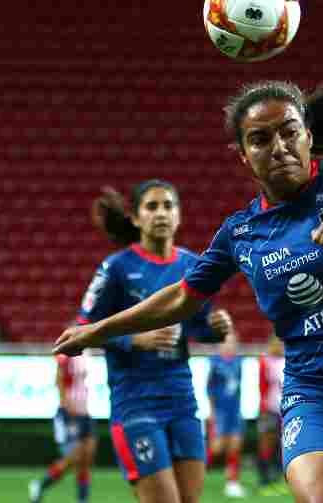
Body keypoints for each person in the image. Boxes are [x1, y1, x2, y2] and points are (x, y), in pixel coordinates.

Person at [54, 80, 323, 503]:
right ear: (244, 156)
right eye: (261, 139)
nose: (278, 147)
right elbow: (183, 296)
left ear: (308, 137)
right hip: (316, 389)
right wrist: (100, 330)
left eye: (289, 132)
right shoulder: (240, 233)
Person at [77, 181, 233, 503]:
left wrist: (215, 329)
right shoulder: (116, 268)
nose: (161, 213)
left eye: (168, 206)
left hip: (182, 401)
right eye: (151, 207)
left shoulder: (192, 266)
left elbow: (197, 328)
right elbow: (84, 328)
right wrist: (134, 339)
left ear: (179, 216)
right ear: (136, 218)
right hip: (136, 404)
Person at [29, 343, 96, 503]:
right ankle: (41, 484)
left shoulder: (86, 354)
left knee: (87, 457)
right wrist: (66, 403)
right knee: (74, 457)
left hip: (84, 412)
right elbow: (58, 379)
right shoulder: (68, 353)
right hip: (70, 414)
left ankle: (83, 499)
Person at [206, 329, 246, 498]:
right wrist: (212, 411)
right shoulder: (214, 362)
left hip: (235, 410)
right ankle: (198, 470)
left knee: (235, 445)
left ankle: (232, 483)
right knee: (217, 448)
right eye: (227, 341)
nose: (230, 345)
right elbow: (209, 389)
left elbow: (239, 387)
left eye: (233, 342)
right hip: (220, 411)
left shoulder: (239, 362)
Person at [257, 334, 286, 494]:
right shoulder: (265, 361)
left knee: (282, 445)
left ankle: (277, 479)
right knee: (266, 444)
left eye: (281, 344)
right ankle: (264, 481)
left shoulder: (287, 360)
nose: (279, 347)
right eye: (276, 344)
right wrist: (263, 408)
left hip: (285, 409)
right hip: (269, 408)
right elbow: (262, 386)